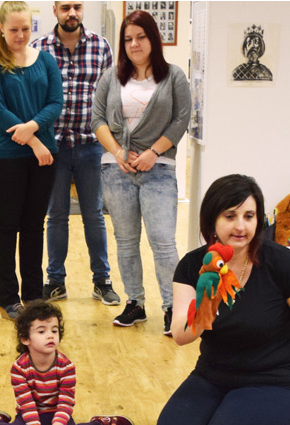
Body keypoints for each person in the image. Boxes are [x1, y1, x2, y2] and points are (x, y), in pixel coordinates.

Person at [159, 174, 290, 425]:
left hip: (272, 381)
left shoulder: (278, 261)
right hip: (212, 376)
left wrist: (284, 347)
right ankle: (228, 418)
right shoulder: (193, 264)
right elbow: (181, 336)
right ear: (212, 220)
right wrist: (209, 296)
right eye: (230, 216)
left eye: (249, 216)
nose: (241, 226)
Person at [91, 8, 190, 332]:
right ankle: (135, 303)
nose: (134, 44)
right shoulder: (111, 77)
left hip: (158, 169)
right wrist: (118, 151)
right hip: (116, 170)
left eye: (141, 37)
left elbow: (181, 119)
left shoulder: (173, 76)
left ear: (153, 39)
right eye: (128, 39)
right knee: (126, 241)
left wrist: (153, 152)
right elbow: (97, 119)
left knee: (163, 241)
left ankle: (172, 307)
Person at [0, 1, 64, 319]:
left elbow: (55, 103)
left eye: (26, 28)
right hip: (5, 156)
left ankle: (32, 295)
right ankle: (7, 298)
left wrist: (32, 127)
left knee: (34, 226)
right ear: (1, 27)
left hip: (42, 156)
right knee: (6, 226)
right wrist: (33, 139)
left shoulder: (46, 61)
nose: (20, 34)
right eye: (14, 29)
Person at [32, 2, 118, 307]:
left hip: (90, 144)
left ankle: (102, 281)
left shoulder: (101, 46)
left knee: (94, 215)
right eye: (66, 7)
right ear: (55, 9)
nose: (72, 13)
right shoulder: (38, 48)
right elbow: (34, 97)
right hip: (52, 146)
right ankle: (55, 281)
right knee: (56, 215)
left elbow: (111, 95)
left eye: (77, 6)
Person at [0, 300, 135, 425]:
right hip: (30, 415)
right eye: (41, 331)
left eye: (54, 331)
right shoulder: (19, 368)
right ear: (25, 339)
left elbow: (66, 403)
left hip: (56, 413)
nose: (50, 336)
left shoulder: (66, 366)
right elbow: (27, 406)